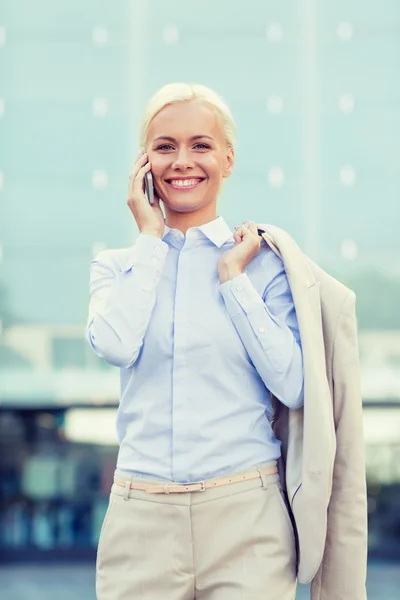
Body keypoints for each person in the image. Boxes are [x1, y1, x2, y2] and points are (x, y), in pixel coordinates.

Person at [85, 83, 367, 600]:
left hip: (247, 517)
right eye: (165, 146)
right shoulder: (117, 267)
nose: (182, 161)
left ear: (228, 159)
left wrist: (234, 279)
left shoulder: (265, 265)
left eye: (201, 145)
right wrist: (150, 239)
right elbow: (116, 345)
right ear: (143, 162)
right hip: (140, 520)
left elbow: (295, 385)